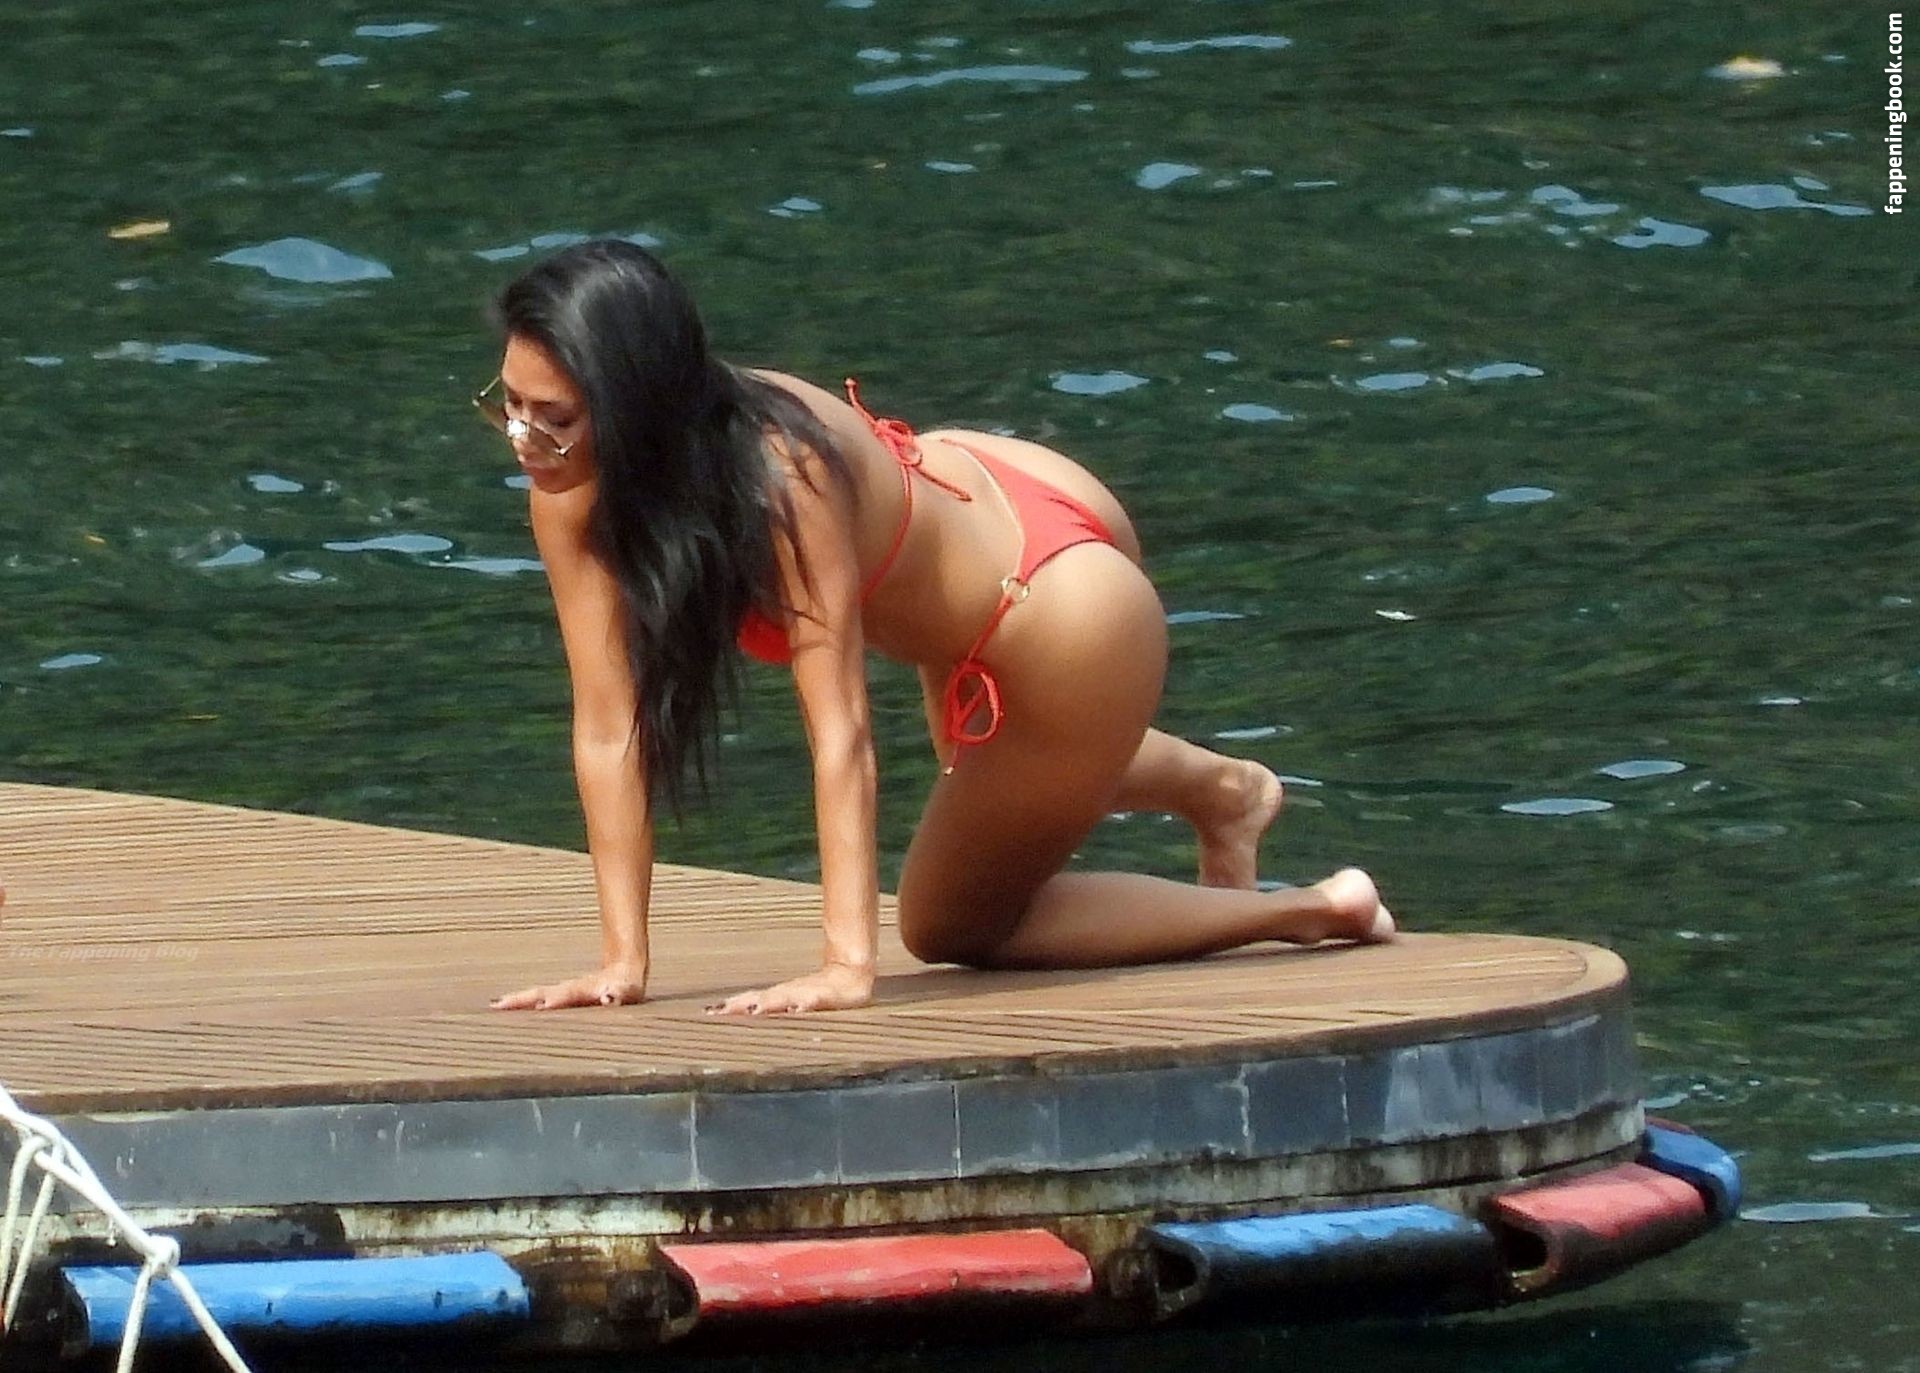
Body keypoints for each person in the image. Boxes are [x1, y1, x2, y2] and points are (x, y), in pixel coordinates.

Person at [484, 241, 1393, 1016]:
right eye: (509, 403)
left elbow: (841, 732)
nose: (523, 438)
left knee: (954, 922)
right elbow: (608, 725)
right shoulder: (570, 483)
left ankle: (1313, 908)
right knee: (991, 774)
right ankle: (1223, 792)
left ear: (639, 404)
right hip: (973, 501)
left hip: (1053, 602)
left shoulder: (780, 476)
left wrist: (847, 964)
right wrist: (621, 963)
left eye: (553, 418)